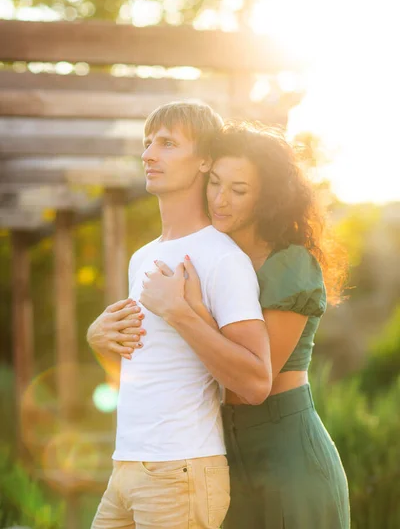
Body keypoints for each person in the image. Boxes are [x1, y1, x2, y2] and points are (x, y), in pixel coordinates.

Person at [118, 120, 351, 528]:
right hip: (223, 449)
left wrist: (183, 313)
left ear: (268, 199)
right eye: (215, 183)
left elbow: (250, 382)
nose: (220, 200)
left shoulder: (291, 265)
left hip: (287, 454)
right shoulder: (211, 258)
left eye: (239, 190)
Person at [87, 103, 272, 529]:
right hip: (126, 467)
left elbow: (256, 381)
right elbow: (152, 369)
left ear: (205, 160)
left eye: (168, 143)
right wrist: (99, 340)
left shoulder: (223, 258)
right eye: (148, 143)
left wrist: (181, 313)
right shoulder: (142, 257)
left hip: (180, 472)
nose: (149, 154)